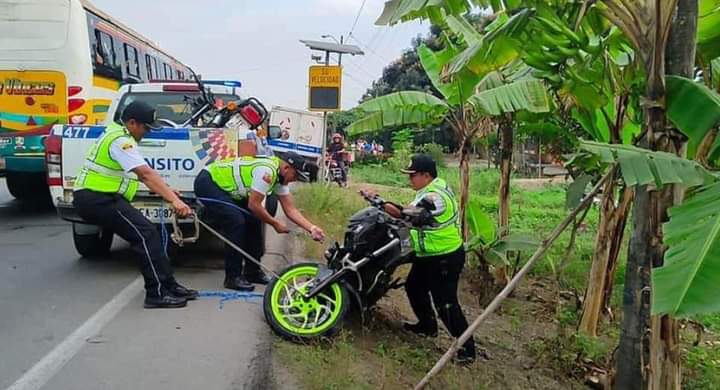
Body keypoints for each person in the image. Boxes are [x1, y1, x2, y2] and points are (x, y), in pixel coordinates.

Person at [72, 101, 197, 309]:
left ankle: (169, 286)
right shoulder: (121, 141)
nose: (147, 132)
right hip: (96, 199)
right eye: (146, 127)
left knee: (149, 233)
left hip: (103, 197)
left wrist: (166, 190)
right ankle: (156, 294)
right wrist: (174, 201)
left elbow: (130, 173)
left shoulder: (116, 133)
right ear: (132, 123)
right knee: (146, 234)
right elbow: (145, 174)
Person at [363, 154, 476, 363]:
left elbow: (410, 215)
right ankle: (427, 326)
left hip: (445, 257)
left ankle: (466, 349)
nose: (410, 179)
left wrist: (380, 202)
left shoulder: (436, 197)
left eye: (412, 175)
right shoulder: (428, 190)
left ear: (425, 175)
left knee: (446, 303)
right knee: (414, 287)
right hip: (427, 254)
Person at [193, 152, 325, 291]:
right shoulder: (266, 172)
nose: (293, 180)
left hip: (229, 190)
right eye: (295, 176)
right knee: (236, 221)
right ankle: (232, 277)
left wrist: (311, 228)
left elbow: (290, 210)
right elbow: (254, 205)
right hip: (208, 182)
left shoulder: (279, 176)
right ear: (286, 168)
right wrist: (274, 223)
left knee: (255, 220)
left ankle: (252, 272)